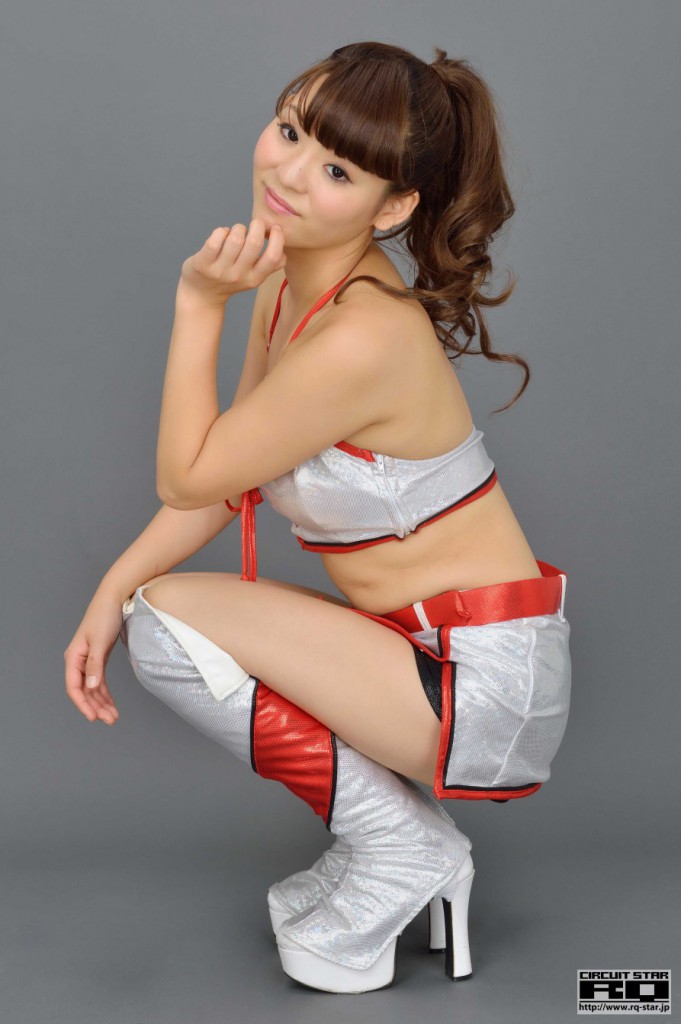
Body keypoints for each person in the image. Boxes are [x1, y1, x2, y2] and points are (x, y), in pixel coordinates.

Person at [64, 41, 572, 994]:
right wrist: (108, 588)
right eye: (290, 130)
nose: (291, 173)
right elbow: (228, 482)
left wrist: (196, 303)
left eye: (338, 170)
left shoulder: (365, 334)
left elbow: (186, 472)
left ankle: (400, 845)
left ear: (393, 207)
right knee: (147, 609)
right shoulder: (288, 287)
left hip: (481, 686)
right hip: (419, 656)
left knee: (163, 619)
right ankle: (403, 843)